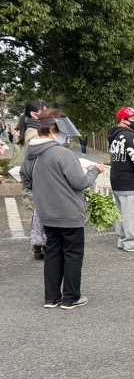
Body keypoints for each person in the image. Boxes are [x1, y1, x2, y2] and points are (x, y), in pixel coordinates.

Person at [20, 108, 103, 308]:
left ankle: (51, 297)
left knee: (53, 253)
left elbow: (25, 178)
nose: (64, 136)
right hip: (69, 213)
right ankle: (71, 297)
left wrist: (43, 188)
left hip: (46, 212)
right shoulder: (62, 153)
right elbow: (80, 182)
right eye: (62, 131)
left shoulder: (31, 153)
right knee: (73, 255)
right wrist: (94, 170)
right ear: (53, 130)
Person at [107, 106, 134, 253]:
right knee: (133, 213)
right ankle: (132, 243)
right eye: (133, 119)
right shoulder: (130, 137)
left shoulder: (114, 137)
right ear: (123, 120)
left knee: (121, 213)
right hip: (131, 181)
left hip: (117, 180)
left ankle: (123, 240)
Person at [21, 99, 49, 260]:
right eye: (44, 111)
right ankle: (41, 245)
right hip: (39, 180)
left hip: (37, 179)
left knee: (39, 214)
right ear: (34, 114)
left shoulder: (33, 130)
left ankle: (40, 246)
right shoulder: (33, 134)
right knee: (41, 214)